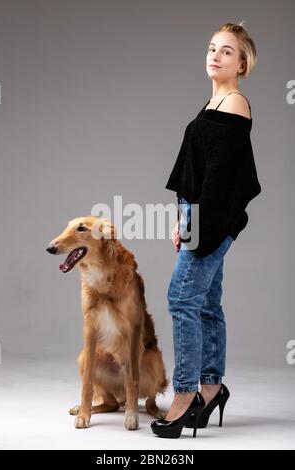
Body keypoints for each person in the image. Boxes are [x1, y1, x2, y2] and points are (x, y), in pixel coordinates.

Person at [151, 22, 261, 439]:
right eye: (212, 48)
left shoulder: (233, 104)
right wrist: (183, 219)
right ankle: (212, 387)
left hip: (211, 218)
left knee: (181, 298)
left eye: (227, 51)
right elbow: (199, 174)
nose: (215, 55)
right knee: (207, 303)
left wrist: (193, 225)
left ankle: (184, 397)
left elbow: (217, 182)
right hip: (199, 215)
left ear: (243, 62)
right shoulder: (215, 101)